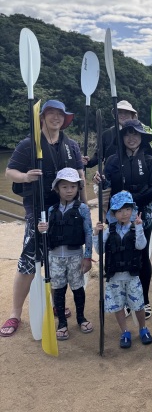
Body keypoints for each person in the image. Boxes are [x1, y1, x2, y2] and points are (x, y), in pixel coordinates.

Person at [1, 100, 87, 338]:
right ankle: (15, 313)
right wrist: (26, 177)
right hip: (38, 210)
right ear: (42, 117)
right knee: (29, 261)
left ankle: (56, 304)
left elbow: (80, 177)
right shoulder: (29, 144)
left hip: (66, 212)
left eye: (60, 114)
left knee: (59, 259)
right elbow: (9, 172)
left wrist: (83, 208)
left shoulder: (71, 145)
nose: (56, 118)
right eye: (51, 113)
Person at [94, 119, 152, 319]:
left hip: (141, 215)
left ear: (141, 137)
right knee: (118, 253)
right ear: (122, 138)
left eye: (135, 134)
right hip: (116, 215)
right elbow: (106, 186)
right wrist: (100, 181)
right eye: (127, 134)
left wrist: (131, 202)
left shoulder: (149, 160)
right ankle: (123, 299)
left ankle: (143, 299)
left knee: (141, 255)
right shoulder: (113, 160)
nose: (131, 138)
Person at [37, 168, 93, 340]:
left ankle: (81, 318)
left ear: (78, 188)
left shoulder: (83, 209)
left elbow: (88, 233)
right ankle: (62, 322)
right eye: (64, 187)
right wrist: (41, 229)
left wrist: (87, 257)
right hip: (55, 258)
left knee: (78, 288)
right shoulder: (51, 210)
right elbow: (45, 233)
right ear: (57, 189)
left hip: (75, 256)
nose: (69, 190)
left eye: (73, 187)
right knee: (59, 290)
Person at [93, 190, 152, 349]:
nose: (124, 213)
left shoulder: (135, 228)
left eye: (127, 209)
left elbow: (141, 245)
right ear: (114, 213)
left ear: (133, 210)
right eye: (119, 210)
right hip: (114, 278)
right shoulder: (109, 231)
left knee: (138, 305)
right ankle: (125, 332)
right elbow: (99, 250)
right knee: (118, 306)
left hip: (132, 276)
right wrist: (96, 233)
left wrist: (139, 227)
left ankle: (143, 328)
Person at [84, 100, 138, 168]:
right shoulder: (107, 134)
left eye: (126, 112)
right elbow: (98, 156)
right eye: (120, 113)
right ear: (115, 115)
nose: (123, 115)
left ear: (132, 115)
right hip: (110, 172)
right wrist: (87, 162)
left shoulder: (139, 134)